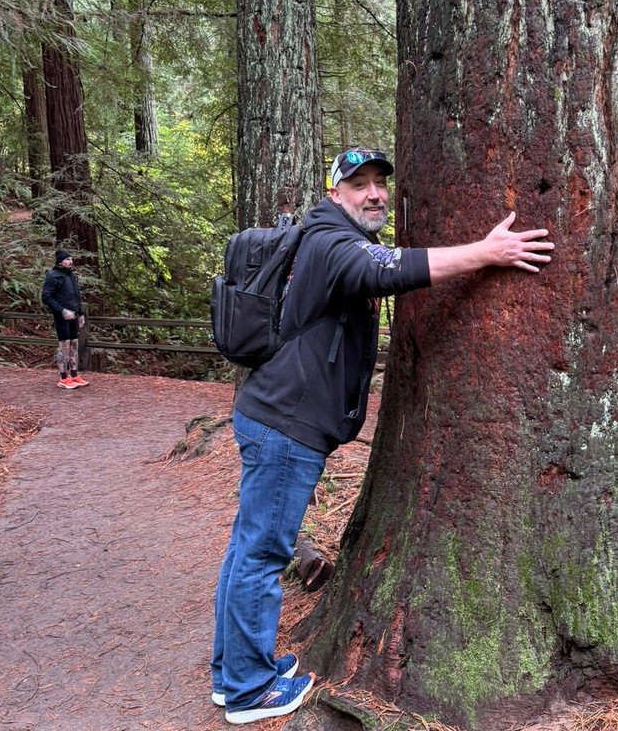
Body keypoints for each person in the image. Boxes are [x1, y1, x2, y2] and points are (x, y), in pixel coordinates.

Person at [211, 147, 554, 724]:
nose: (373, 194)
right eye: (358, 185)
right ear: (334, 194)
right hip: (284, 427)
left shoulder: (326, 237)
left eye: (378, 184)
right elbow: (385, 269)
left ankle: (233, 674)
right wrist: (486, 253)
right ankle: (247, 690)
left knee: (249, 547)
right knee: (263, 552)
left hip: (274, 416)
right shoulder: (330, 244)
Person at [41, 249, 89, 390]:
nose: (71, 261)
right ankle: (63, 377)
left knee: (74, 344)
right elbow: (46, 297)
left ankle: (74, 375)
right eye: (67, 259)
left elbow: (76, 296)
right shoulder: (53, 276)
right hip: (61, 316)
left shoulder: (72, 276)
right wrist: (62, 311)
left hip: (74, 315)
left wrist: (80, 314)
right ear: (60, 261)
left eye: (71, 259)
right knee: (64, 345)